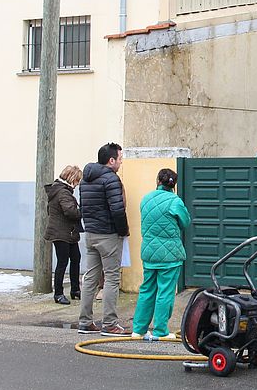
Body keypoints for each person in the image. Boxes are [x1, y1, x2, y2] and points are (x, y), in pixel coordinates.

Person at [130, 168, 190, 342]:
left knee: (147, 290)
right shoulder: (175, 201)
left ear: (158, 181)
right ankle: (160, 330)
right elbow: (185, 222)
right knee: (165, 292)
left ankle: (138, 330)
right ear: (173, 184)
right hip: (170, 256)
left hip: (149, 253)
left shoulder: (146, 199)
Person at [78, 142, 130, 336]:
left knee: (90, 277)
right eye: (120, 159)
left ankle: (85, 321)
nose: (121, 162)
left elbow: (83, 207)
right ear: (111, 160)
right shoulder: (111, 179)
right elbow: (117, 210)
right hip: (108, 234)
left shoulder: (85, 179)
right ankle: (109, 324)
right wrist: (123, 231)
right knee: (112, 278)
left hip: (91, 233)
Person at [44, 165, 84, 305]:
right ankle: (59, 294)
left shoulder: (59, 190)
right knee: (63, 262)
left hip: (67, 232)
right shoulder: (63, 192)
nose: (77, 184)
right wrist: (83, 211)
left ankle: (75, 290)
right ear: (72, 178)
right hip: (61, 233)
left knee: (75, 258)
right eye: (77, 180)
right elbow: (70, 212)